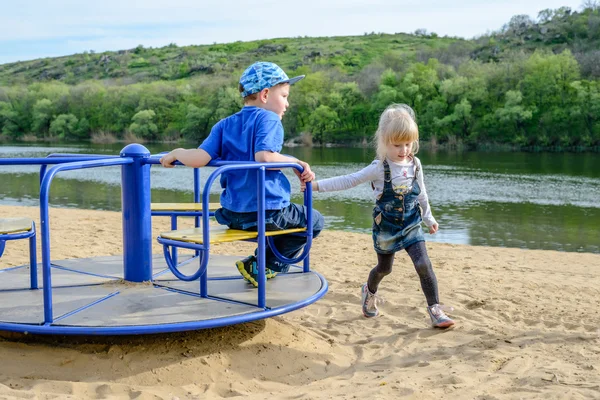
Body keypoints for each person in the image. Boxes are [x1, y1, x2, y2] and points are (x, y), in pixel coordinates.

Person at [160, 61, 324, 287]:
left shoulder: (224, 124)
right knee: (314, 220)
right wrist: (297, 162)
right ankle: (263, 265)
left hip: (231, 214)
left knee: (291, 221)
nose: (287, 103)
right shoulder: (269, 118)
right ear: (265, 95)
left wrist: (177, 152)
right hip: (266, 213)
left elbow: (199, 158)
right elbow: (264, 157)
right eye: (284, 96)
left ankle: (260, 262)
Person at [307, 104, 454, 328]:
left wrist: (429, 218)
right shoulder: (378, 167)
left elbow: (422, 193)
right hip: (386, 226)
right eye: (397, 145)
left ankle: (435, 310)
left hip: (412, 222)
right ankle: (369, 291)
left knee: (423, 264)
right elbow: (349, 180)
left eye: (408, 144)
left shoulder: (415, 164)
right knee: (385, 268)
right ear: (385, 143)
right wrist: (314, 186)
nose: (404, 150)